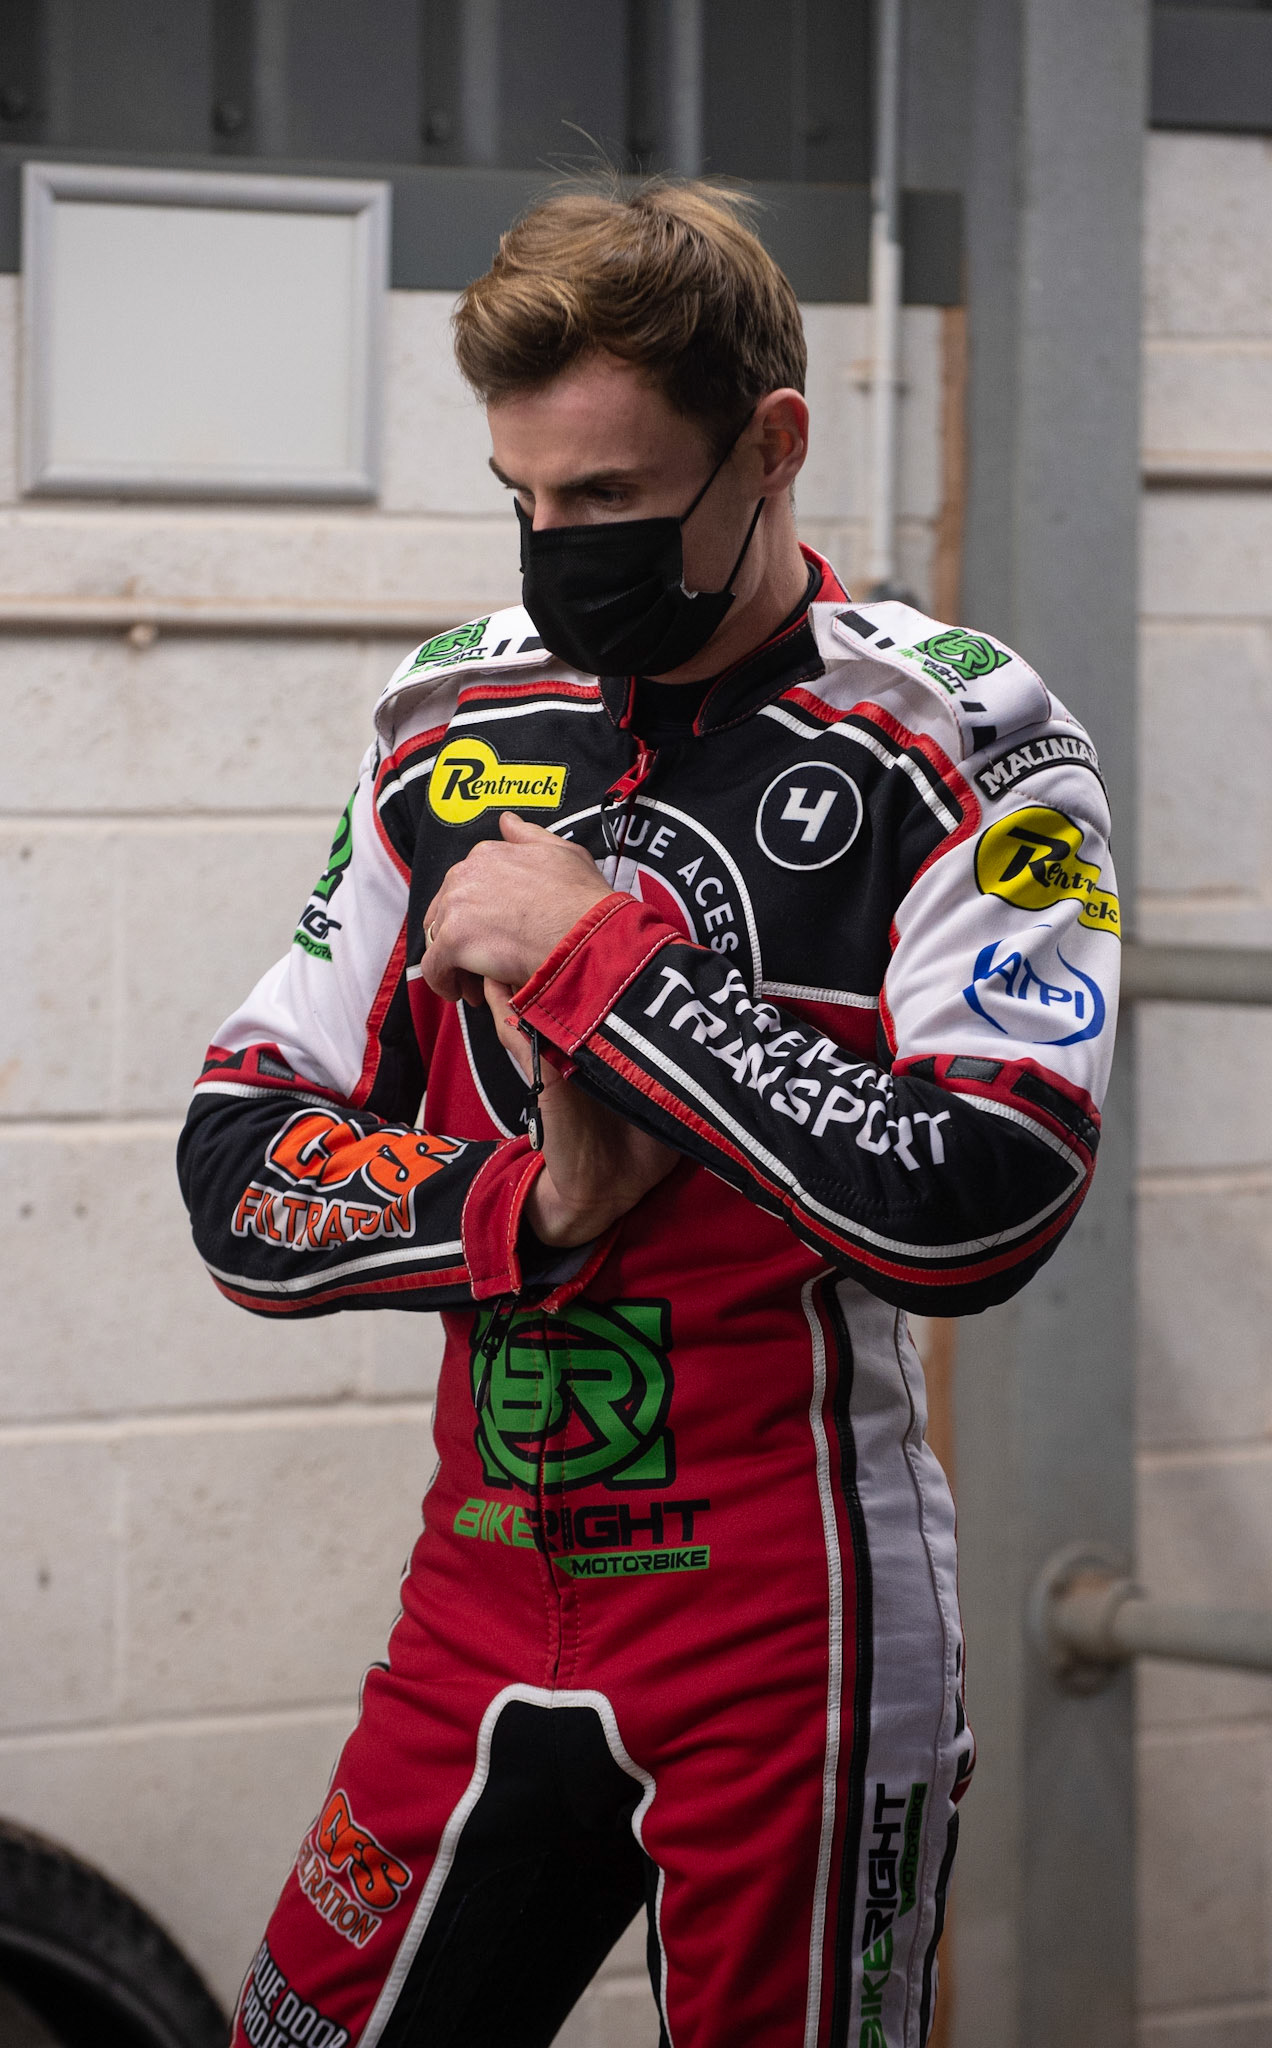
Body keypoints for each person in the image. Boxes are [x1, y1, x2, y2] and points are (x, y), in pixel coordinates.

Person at [179, 181, 1119, 2048]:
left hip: (797, 1619)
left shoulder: (967, 740)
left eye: (606, 497)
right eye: (522, 497)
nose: (556, 547)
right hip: (479, 1584)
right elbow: (233, 1154)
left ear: (767, 445)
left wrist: (605, 969)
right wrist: (530, 1208)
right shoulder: (445, 716)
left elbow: (983, 1200)